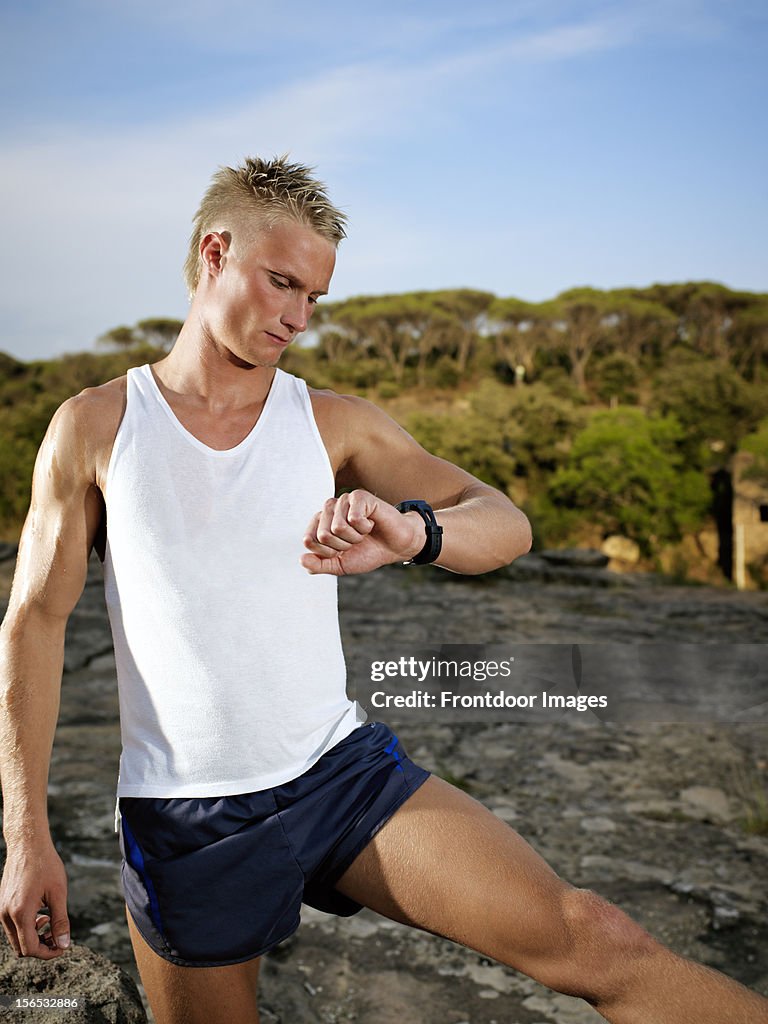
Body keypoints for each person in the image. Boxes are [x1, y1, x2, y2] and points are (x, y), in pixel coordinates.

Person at [0, 156, 766, 1024]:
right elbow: (35, 619)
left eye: (314, 299)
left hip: (341, 776)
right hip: (188, 820)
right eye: (281, 283)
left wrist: (416, 533)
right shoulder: (96, 427)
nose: (296, 318)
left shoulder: (332, 422)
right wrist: (27, 839)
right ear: (214, 252)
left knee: (598, 934)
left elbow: (504, 522)